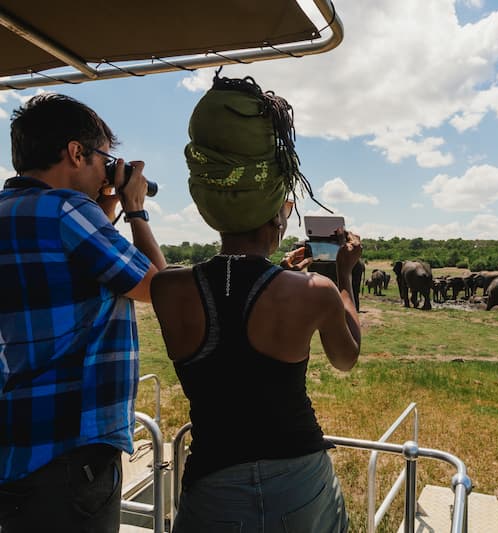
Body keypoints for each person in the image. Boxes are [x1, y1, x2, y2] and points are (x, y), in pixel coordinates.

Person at [150, 72, 361, 533]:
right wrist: (342, 275)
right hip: (301, 482)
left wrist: (281, 272)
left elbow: (232, 298)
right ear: (278, 214)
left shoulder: (168, 290)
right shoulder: (313, 293)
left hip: (212, 486)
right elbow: (347, 357)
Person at [0, 94, 167, 532]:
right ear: (77, 152)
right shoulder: (68, 211)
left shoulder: (15, 211)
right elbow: (158, 286)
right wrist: (135, 209)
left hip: (16, 443)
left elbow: (73, 271)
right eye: (103, 160)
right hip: (72, 451)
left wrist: (102, 205)